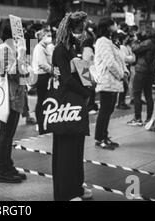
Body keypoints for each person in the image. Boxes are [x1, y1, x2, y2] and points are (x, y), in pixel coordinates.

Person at [52, 11, 92, 201]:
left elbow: (82, 72)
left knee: (77, 149)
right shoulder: (60, 50)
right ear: (71, 28)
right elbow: (66, 78)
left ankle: (76, 187)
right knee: (66, 150)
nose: (82, 32)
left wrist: (89, 85)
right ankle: (66, 193)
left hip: (77, 102)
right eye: (80, 28)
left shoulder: (75, 46)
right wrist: (86, 92)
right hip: (65, 104)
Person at [0, 19, 28, 184]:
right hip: (8, 99)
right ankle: (3, 171)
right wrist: (21, 54)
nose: (20, 33)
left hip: (16, 96)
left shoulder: (11, 48)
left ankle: (9, 166)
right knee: (5, 136)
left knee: (10, 136)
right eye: (18, 30)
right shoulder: (3, 48)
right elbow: (14, 72)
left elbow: (25, 73)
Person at [94, 17, 127, 150]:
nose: (116, 25)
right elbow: (110, 62)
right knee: (105, 110)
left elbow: (119, 60)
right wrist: (121, 75)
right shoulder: (102, 41)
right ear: (107, 26)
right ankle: (100, 138)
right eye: (113, 23)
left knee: (108, 110)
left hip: (113, 81)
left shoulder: (110, 41)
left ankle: (104, 136)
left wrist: (125, 72)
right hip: (107, 81)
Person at [128, 26, 155, 126]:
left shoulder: (147, 42)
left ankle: (137, 118)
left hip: (142, 70)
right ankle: (149, 118)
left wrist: (135, 41)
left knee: (136, 94)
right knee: (148, 95)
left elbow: (135, 49)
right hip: (150, 72)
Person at [32, 27, 53, 121]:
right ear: (42, 37)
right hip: (41, 76)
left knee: (43, 98)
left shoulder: (44, 47)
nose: (50, 38)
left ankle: (42, 118)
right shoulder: (39, 48)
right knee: (41, 99)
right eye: (48, 36)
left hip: (44, 76)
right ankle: (40, 119)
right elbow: (42, 63)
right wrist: (54, 72)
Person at [117, 30, 135, 110]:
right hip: (125, 67)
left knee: (125, 85)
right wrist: (132, 57)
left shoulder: (122, 46)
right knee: (124, 85)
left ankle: (121, 102)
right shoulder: (122, 47)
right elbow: (125, 58)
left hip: (125, 66)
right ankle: (121, 102)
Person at [82, 22, 98, 115]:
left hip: (89, 71)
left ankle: (90, 105)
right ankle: (88, 107)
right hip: (87, 71)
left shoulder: (89, 47)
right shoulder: (88, 49)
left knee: (91, 90)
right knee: (89, 90)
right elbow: (87, 62)